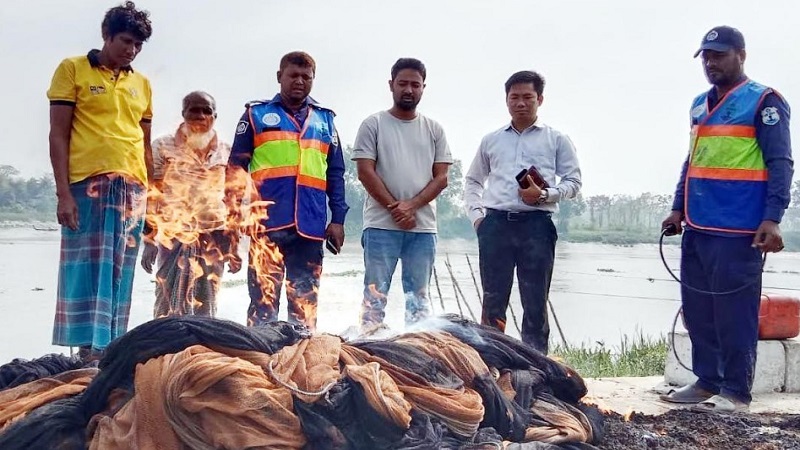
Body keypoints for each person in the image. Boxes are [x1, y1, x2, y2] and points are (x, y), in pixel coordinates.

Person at [660, 26, 793, 413]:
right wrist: (677, 207)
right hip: (698, 224)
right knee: (699, 311)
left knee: (734, 315)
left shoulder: (764, 101)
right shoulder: (700, 104)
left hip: (739, 230)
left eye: (719, 55)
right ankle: (706, 381)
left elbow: (780, 161)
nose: (711, 63)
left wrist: (772, 217)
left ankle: (735, 391)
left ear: (741, 55)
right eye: (706, 56)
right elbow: (693, 159)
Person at [47, 1, 153, 361]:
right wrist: (63, 194)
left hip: (133, 189)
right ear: (106, 36)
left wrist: (151, 199)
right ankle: (84, 353)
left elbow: (145, 144)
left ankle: (109, 352)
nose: (131, 50)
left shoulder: (142, 84)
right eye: (125, 41)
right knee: (87, 271)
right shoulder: (73, 70)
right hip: (88, 186)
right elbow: (58, 135)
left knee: (120, 271)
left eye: (137, 45)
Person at [228, 51, 348, 331]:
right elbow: (235, 170)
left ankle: (300, 364)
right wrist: (234, 218)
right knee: (262, 305)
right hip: (267, 226)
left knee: (304, 305)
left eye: (306, 77)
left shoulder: (326, 121)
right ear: (279, 76)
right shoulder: (255, 115)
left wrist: (338, 219)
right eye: (293, 75)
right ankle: (259, 361)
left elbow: (336, 172)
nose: (300, 81)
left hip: (310, 226)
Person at [464, 71, 582, 354]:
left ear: (539, 99)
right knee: (493, 301)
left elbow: (574, 183)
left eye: (527, 97)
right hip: (496, 225)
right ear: (506, 101)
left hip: (536, 226)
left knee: (535, 301)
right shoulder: (491, 140)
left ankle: (536, 366)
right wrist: (478, 218)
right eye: (514, 97)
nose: (520, 103)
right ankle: (493, 363)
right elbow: (473, 181)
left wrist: (544, 195)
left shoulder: (556, 139)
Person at [352, 58, 452, 329]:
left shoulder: (434, 129)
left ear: (423, 88)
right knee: (374, 295)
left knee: (419, 298)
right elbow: (365, 172)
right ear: (391, 85)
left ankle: (415, 351)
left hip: (423, 229)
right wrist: (396, 208)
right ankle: (369, 347)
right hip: (380, 226)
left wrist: (412, 206)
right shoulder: (373, 124)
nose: (409, 90)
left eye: (415, 85)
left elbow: (441, 177)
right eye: (403, 83)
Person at [141, 91, 241, 318]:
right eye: (194, 110)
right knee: (166, 299)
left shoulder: (226, 151)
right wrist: (148, 239)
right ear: (183, 113)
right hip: (173, 235)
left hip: (213, 236)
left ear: (215, 116)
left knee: (207, 301)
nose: (200, 115)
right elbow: (151, 193)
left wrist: (233, 246)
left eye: (207, 110)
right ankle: (166, 349)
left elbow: (232, 199)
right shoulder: (163, 146)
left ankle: (201, 350)